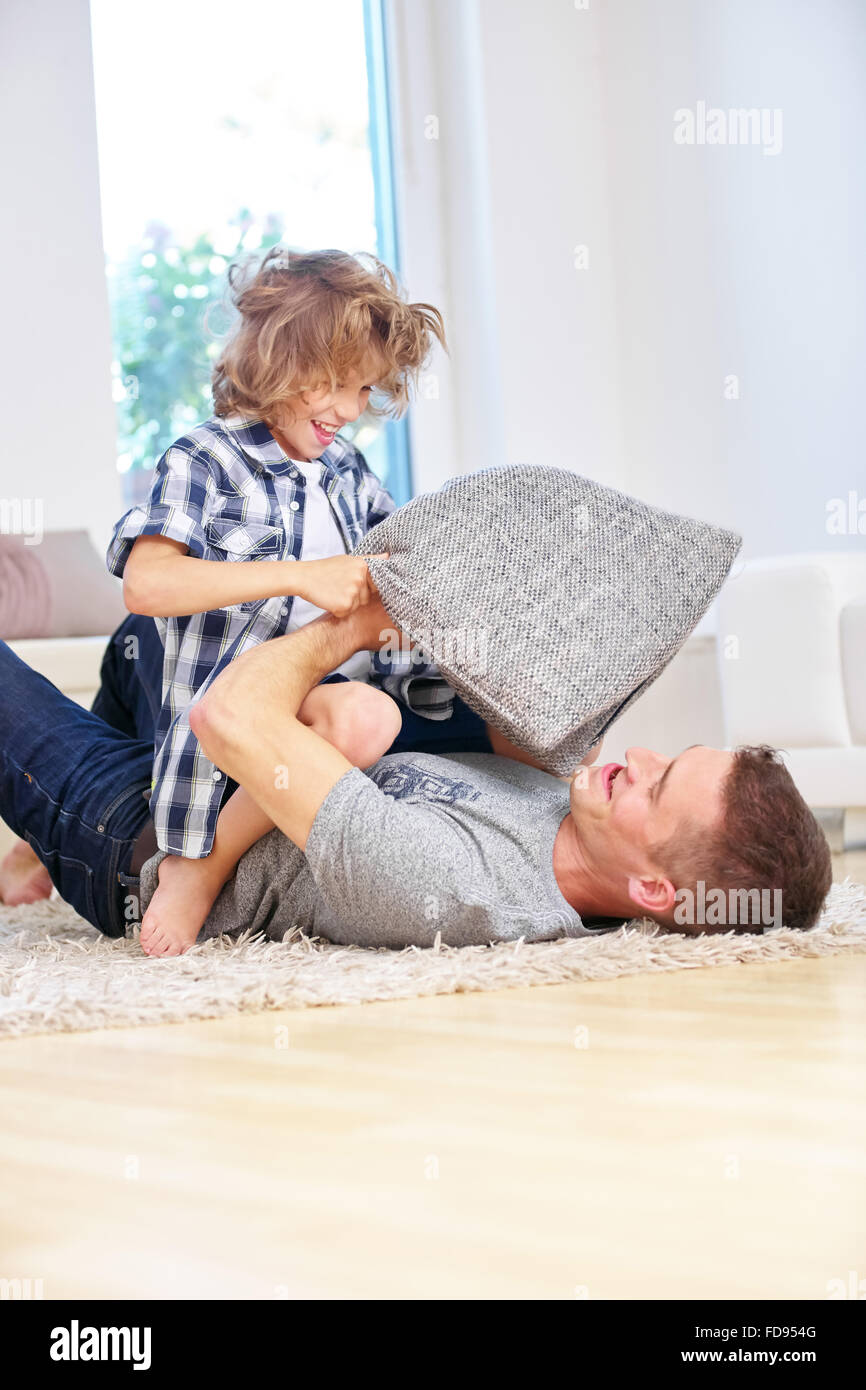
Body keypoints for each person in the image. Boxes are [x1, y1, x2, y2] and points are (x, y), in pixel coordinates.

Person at [0, 597, 832, 953]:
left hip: (142, 840)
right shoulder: (580, 822)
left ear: (655, 892)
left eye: (654, 788)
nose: (637, 761)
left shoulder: (454, 887)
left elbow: (230, 720)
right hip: (232, 770)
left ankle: (52, 840)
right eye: (667, 757)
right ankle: (34, 848)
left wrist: (351, 623)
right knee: (148, 626)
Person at [105, 246, 450, 956]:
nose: (352, 411)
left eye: (365, 391)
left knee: (371, 713)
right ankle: (196, 868)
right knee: (126, 675)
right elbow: (147, 585)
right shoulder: (206, 459)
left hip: (310, 699)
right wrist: (300, 575)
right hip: (227, 714)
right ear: (280, 361)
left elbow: (398, 563)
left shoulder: (347, 471)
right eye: (338, 385)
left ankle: (209, 858)